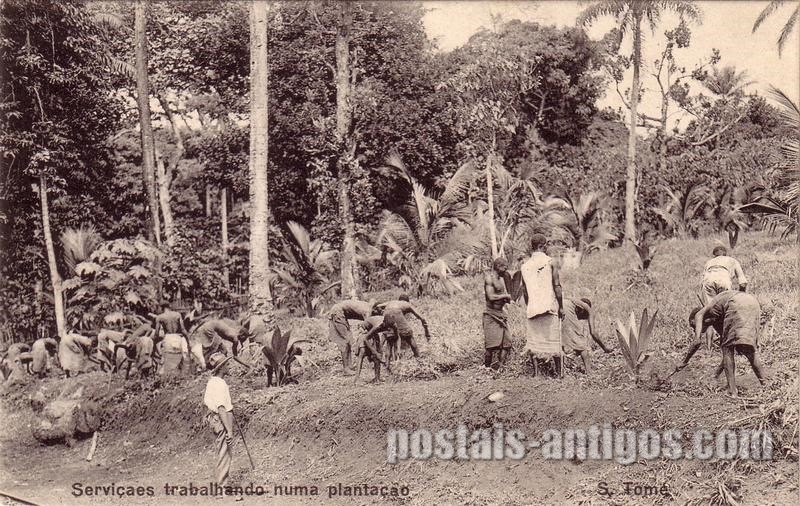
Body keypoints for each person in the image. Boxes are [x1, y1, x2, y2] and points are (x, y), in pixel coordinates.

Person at [673, 291, 767, 397]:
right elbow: (726, 356)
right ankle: (767, 386)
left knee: (727, 349)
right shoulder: (719, 318)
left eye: (692, 325)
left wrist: (684, 362)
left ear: (694, 319)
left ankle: (732, 391)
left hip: (736, 302)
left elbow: (697, 341)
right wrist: (716, 375)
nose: (694, 329)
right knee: (749, 350)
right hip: (752, 302)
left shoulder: (699, 314)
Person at [519, 234, 564, 376]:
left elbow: (524, 291)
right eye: (546, 245)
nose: (547, 247)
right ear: (542, 246)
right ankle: (559, 373)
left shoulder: (525, 266)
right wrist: (561, 306)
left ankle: (537, 373)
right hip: (549, 306)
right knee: (555, 340)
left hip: (533, 308)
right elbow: (557, 285)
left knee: (534, 342)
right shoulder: (551, 262)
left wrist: (529, 305)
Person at [203, 353, 236, 490]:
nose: (229, 367)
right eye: (226, 365)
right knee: (224, 452)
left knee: (222, 451)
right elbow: (221, 408)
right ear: (221, 368)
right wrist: (229, 430)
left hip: (214, 419)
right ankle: (222, 487)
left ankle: (223, 483)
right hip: (220, 420)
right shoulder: (220, 383)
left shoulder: (212, 382)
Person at [370, 295, 430, 363]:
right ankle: (418, 358)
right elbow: (422, 318)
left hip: (386, 313)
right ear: (406, 300)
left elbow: (378, 306)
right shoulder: (407, 304)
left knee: (391, 339)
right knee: (409, 337)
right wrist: (427, 332)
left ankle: (389, 364)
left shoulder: (391, 302)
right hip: (396, 312)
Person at [561, 298, 612, 374]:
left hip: (558, 305)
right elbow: (593, 333)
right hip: (564, 307)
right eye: (583, 317)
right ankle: (589, 373)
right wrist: (605, 348)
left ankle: (560, 371)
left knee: (559, 339)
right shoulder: (588, 309)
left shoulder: (573, 301)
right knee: (582, 344)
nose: (580, 319)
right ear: (581, 310)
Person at [326, 299, 376, 375]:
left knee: (349, 340)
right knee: (344, 340)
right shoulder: (368, 311)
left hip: (341, 313)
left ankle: (349, 365)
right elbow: (367, 330)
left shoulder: (369, 305)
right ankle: (346, 369)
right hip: (337, 313)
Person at [483, 257, 513, 369]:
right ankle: (487, 368)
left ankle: (501, 367)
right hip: (491, 314)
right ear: (498, 266)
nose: (506, 270)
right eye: (504, 267)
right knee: (490, 345)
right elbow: (490, 296)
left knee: (506, 343)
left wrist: (507, 299)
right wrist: (505, 296)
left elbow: (503, 294)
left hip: (501, 313)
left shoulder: (502, 278)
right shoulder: (489, 278)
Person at [352, 316, 389, 383]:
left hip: (373, 333)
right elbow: (365, 338)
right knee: (362, 352)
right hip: (364, 331)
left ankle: (377, 378)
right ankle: (356, 379)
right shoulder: (378, 325)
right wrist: (375, 352)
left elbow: (389, 337)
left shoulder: (392, 324)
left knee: (377, 356)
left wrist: (379, 352)